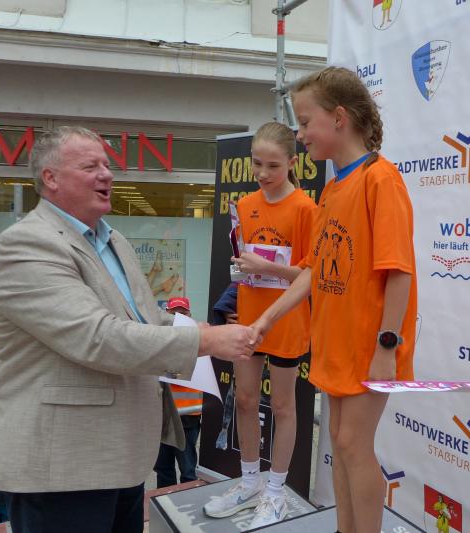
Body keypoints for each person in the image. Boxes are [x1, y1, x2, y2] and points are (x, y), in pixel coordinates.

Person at [0, 126, 258, 533]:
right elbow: (97, 337)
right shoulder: (25, 245)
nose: (107, 174)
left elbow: (142, 318)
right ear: (50, 178)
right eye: (90, 166)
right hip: (62, 466)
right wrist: (204, 340)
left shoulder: (115, 241)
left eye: (107, 165)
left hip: (121, 456)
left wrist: (193, 326)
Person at [252, 67, 418, 533]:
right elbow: (313, 270)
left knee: (351, 445)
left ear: (339, 118)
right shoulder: (332, 187)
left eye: (306, 122)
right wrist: (267, 319)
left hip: (369, 346)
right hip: (336, 346)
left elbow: (399, 271)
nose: (300, 134)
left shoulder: (380, 179)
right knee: (342, 444)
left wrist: (387, 347)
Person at [204, 122, 316, 528]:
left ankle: (275, 490)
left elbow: (311, 273)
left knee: (284, 406)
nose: (263, 173)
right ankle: (249, 481)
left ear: (292, 163)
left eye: (273, 165)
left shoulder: (305, 208)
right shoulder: (245, 205)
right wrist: (237, 290)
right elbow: (242, 267)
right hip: (248, 320)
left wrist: (268, 267)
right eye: (257, 164)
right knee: (246, 400)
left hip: (287, 322)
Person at [154, 296, 203, 488]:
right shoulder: (160, 339)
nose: (178, 317)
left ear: (189, 314)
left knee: (188, 469)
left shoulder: (198, 338)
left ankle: (187, 501)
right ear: (167, 313)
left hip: (187, 414)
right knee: (163, 468)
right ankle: (164, 501)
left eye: (182, 313)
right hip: (163, 414)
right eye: (174, 313)